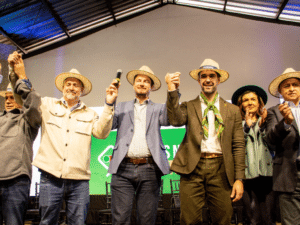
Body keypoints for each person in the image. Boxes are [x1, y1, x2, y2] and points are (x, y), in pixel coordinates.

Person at [9, 54, 119, 225]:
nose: (72, 87)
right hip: (50, 177)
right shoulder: (47, 104)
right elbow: (25, 99)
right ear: (62, 88)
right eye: (68, 84)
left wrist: (109, 104)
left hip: (79, 181)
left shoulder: (90, 114)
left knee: (78, 223)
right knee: (47, 222)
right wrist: (18, 74)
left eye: (76, 85)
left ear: (81, 91)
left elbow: (102, 133)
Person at [165, 58, 245, 225]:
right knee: (189, 220)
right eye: (203, 76)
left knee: (223, 219)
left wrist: (239, 178)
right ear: (199, 80)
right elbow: (175, 120)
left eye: (212, 76)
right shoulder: (189, 106)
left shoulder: (233, 110)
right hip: (193, 168)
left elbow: (238, 146)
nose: (208, 79)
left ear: (218, 79)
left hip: (222, 169)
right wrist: (172, 91)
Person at [108, 65, 170, 225]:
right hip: (122, 168)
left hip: (150, 168)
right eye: (139, 80)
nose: (142, 83)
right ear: (134, 85)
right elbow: (109, 126)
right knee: (120, 219)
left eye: (146, 81)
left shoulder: (159, 108)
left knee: (147, 220)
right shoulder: (120, 106)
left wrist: (172, 92)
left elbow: (168, 120)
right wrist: (110, 102)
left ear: (152, 87)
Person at [0, 51, 41, 225]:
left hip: (17, 181)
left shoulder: (27, 120)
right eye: (6, 98)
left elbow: (33, 104)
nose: (8, 101)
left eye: (12, 97)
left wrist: (20, 75)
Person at [232, 85, 275, 225]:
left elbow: (274, 144)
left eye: (253, 99)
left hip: (268, 176)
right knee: (253, 219)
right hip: (246, 177)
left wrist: (261, 127)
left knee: (268, 218)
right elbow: (234, 147)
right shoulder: (236, 124)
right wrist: (247, 127)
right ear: (241, 104)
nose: (250, 103)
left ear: (259, 102)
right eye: (245, 100)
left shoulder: (269, 120)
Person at [266, 68, 300, 225]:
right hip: (288, 175)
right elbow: (271, 140)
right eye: (287, 86)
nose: (292, 88)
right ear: (280, 91)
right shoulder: (274, 112)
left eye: (295, 84)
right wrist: (285, 122)